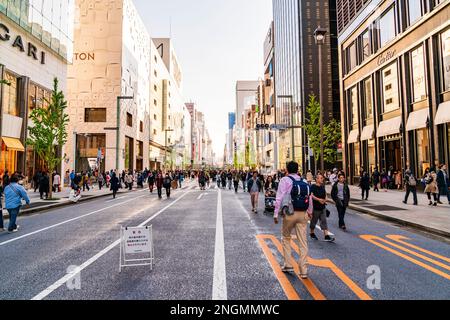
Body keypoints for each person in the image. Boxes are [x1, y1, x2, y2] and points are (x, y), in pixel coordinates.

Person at [273, 161, 310, 279]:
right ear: (297, 170)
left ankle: (288, 265)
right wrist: (310, 211)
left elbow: (279, 197)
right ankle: (303, 270)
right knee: (303, 242)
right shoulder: (303, 181)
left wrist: (275, 214)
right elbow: (309, 197)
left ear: (287, 170)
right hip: (302, 213)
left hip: (289, 213)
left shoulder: (284, 180)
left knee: (286, 238)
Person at [310, 173, 335, 242]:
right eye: (320, 178)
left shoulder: (322, 187)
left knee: (324, 221)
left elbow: (325, 195)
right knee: (314, 221)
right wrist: (319, 200)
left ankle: (326, 236)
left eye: (322, 178)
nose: (322, 179)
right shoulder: (313, 186)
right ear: (317, 179)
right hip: (315, 207)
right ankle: (312, 233)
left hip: (322, 207)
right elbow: (311, 195)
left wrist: (325, 200)